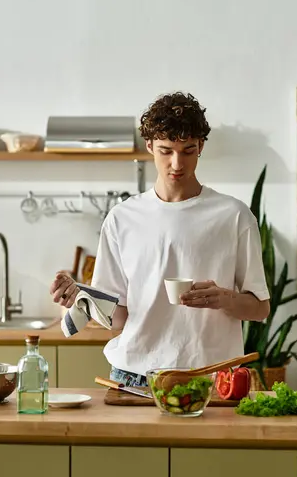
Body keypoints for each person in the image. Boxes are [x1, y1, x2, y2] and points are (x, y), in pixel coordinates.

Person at [50, 92, 270, 386]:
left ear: (201, 146)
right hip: (134, 376)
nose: (177, 163)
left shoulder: (234, 216)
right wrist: (82, 299)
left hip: (211, 379)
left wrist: (225, 299)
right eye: (166, 151)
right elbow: (120, 320)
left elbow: (260, 309)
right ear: (150, 145)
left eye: (188, 150)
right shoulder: (122, 218)